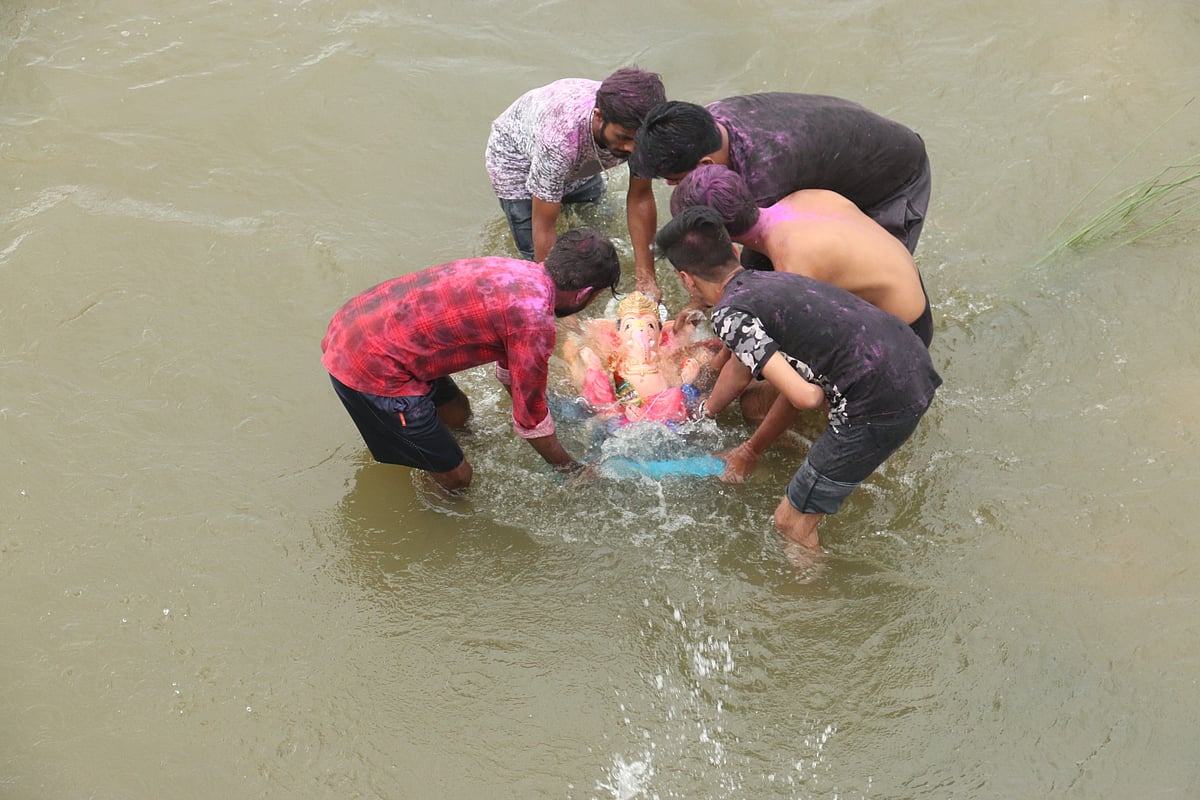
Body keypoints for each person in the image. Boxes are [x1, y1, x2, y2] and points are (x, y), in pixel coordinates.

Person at [654, 206, 941, 551]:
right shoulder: (774, 279)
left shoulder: (730, 316)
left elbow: (805, 396)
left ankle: (814, 600)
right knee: (763, 408)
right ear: (733, 251)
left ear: (686, 278)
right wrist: (749, 450)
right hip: (911, 360)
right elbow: (788, 378)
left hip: (878, 400)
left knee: (790, 523)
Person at [321, 228, 621, 492]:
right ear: (583, 294)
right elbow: (530, 421)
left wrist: (541, 405)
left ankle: (433, 446)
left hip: (361, 321)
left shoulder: (517, 271)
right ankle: (433, 484)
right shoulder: (535, 322)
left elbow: (512, 373)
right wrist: (571, 470)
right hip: (368, 366)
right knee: (459, 478)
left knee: (459, 414)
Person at [629, 92, 930, 287]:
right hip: (840, 152)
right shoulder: (709, 120)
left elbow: (751, 261)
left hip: (892, 179)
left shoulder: (766, 174)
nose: (672, 186)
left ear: (706, 162)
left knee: (873, 289)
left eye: (674, 179)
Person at [670, 164, 933, 347]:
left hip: (907, 330)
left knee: (755, 399)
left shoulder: (793, 265)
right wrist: (699, 302)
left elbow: (789, 355)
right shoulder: (803, 197)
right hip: (907, 283)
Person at [486, 67, 665, 299]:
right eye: (623, 138)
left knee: (601, 233)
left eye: (639, 140)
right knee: (536, 264)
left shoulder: (637, 120)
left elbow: (640, 196)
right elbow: (544, 226)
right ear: (599, 116)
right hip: (516, 159)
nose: (632, 149)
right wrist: (561, 305)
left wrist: (646, 278)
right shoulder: (560, 141)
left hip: (577, 158)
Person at [562, 291, 713, 426]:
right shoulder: (616, 361)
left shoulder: (665, 359)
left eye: (651, 326)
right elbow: (597, 394)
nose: (642, 330)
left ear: (662, 334)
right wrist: (594, 370)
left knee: (676, 395)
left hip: (663, 418)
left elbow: (677, 392)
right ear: (616, 335)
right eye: (628, 326)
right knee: (598, 385)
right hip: (625, 416)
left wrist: (687, 383)